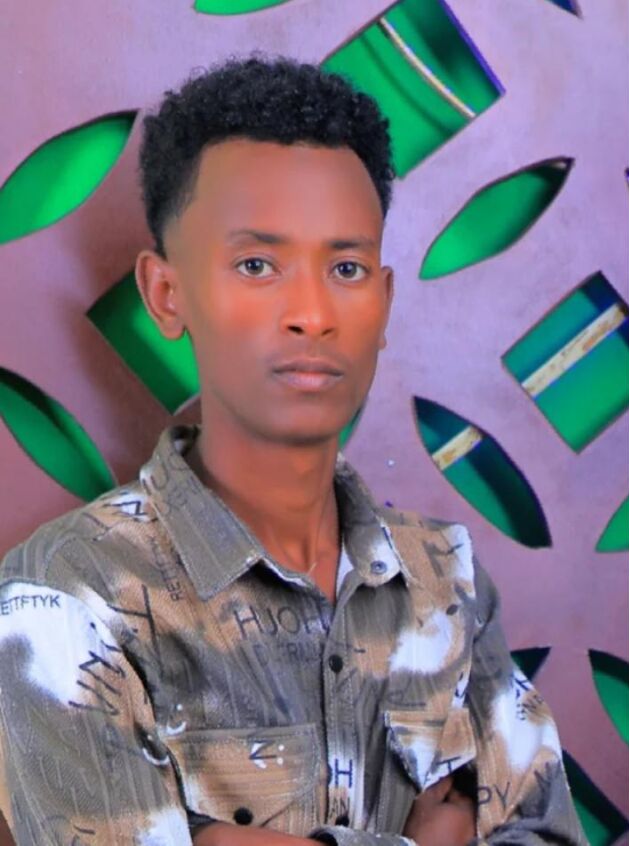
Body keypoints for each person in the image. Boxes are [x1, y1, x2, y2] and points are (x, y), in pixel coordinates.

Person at [0, 56, 586, 846]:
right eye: (257, 265)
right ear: (166, 295)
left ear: (383, 302)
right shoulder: (64, 596)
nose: (312, 312)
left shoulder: (446, 578)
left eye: (346, 268)